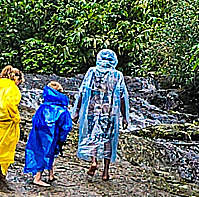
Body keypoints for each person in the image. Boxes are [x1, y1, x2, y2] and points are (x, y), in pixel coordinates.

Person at [72, 49, 130, 181]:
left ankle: (93, 162)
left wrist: (76, 112)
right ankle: (105, 172)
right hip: (110, 112)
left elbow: (82, 92)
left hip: (93, 109)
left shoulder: (92, 72)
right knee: (108, 139)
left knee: (93, 135)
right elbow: (122, 97)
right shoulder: (117, 75)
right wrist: (125, 117)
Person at [24, 81, 73, 187]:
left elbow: (35, 120)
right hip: (52, 134)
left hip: (38, 132)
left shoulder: (43, 106)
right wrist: (62, 139)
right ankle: (37, 178)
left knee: (42, 151)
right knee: (47, 152)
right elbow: (66, 126)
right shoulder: (61, 109)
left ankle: (51, 174)